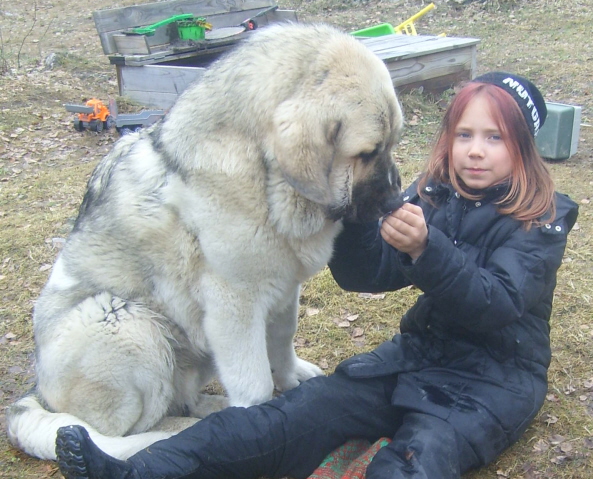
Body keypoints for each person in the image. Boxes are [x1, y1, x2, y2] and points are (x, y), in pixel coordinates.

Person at [55, 71, 578, 479]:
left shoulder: (543, 218)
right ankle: (137, 471)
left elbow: (496, 304)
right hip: (418, 356)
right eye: (464, 134)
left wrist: (428, 248)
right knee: (287, 418)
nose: (476, 150)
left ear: (523, 148)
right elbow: (367, 275)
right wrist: (352, 214)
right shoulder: (437, 192)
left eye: (495, 137)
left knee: (415, 461)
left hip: (492, 381)